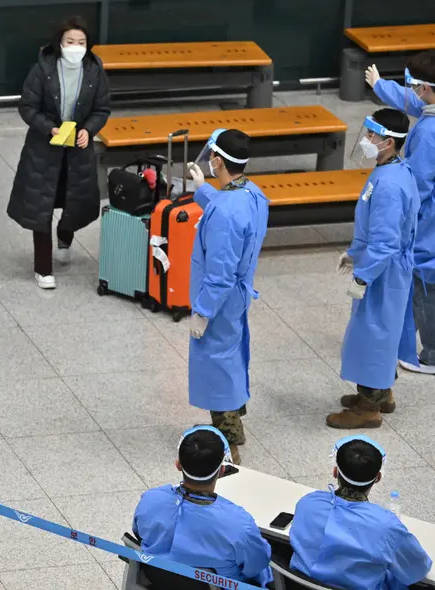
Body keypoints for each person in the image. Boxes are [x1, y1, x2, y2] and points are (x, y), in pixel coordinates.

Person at [330, 110, 419, 429]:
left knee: (374, 335)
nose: (366, 141)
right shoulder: (388, 170)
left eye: (372, 136)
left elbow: (385, 241)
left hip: (384, 271)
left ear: (390, 142)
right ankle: (380, 392)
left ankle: (369, 407)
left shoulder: (390, 185)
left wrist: (363, 275)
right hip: (382, 265)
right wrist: (354, 253)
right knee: (379, 331)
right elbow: (372, 229)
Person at [8, 16, 111, 290]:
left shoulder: (94, 69)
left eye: (81, 42)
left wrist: (89, 130)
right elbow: (27, 107)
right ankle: (42, 268)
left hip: (77, 148)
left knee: (73, 198)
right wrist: (49, 128)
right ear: (60, 43)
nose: (76, 47)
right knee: (40, 206)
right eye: (70, 42)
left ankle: (65, 238)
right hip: (44, 147)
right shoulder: (43, 68)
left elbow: (102, 108)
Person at [185, 129, 269, 465]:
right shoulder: (253, 194)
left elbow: (219, 273)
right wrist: (202, 190)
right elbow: (232, 213)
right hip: (237, 297)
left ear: (217, 159)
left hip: (218, 302)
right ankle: (232, 424)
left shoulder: (226, 212)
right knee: (231, 358)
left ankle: (228, 439)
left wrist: (203, 312)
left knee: (216, 365)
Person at [132, 426, 273, 587]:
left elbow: (139, 533)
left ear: (178, 464)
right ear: (221, 471)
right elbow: (257, 565)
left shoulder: (150, 500)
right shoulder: (240, 525)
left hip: (158, 582)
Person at [367, 52, 435, 376]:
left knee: (425, 285)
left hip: (430, 225)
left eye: (417, 86)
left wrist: (406, 219)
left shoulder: (426, 132)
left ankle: (431, 352)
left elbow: (420, 185)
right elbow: (411, 100)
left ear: (425, 89)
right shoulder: (428, 115)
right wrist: (381, 86)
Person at [289, 435, 432, 589]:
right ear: (378, 477)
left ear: (335, 471)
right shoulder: (386, 526)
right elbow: (417, 570)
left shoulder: (308, 503)